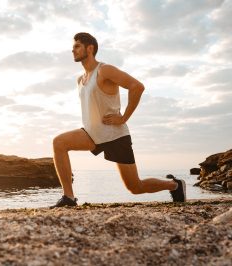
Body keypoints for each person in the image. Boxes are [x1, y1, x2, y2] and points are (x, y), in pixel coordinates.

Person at [50, 32, 186, 208]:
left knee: (135, 187)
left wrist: (124, 117)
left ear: (89, 48)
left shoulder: (104, 70)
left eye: (77, 46)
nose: (72, 50)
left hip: (115, 135)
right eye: (73, 46)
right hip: (92, 134)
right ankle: (68, 197)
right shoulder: (80, 79)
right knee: (59, 143)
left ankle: (175, 185)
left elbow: (137, 87)